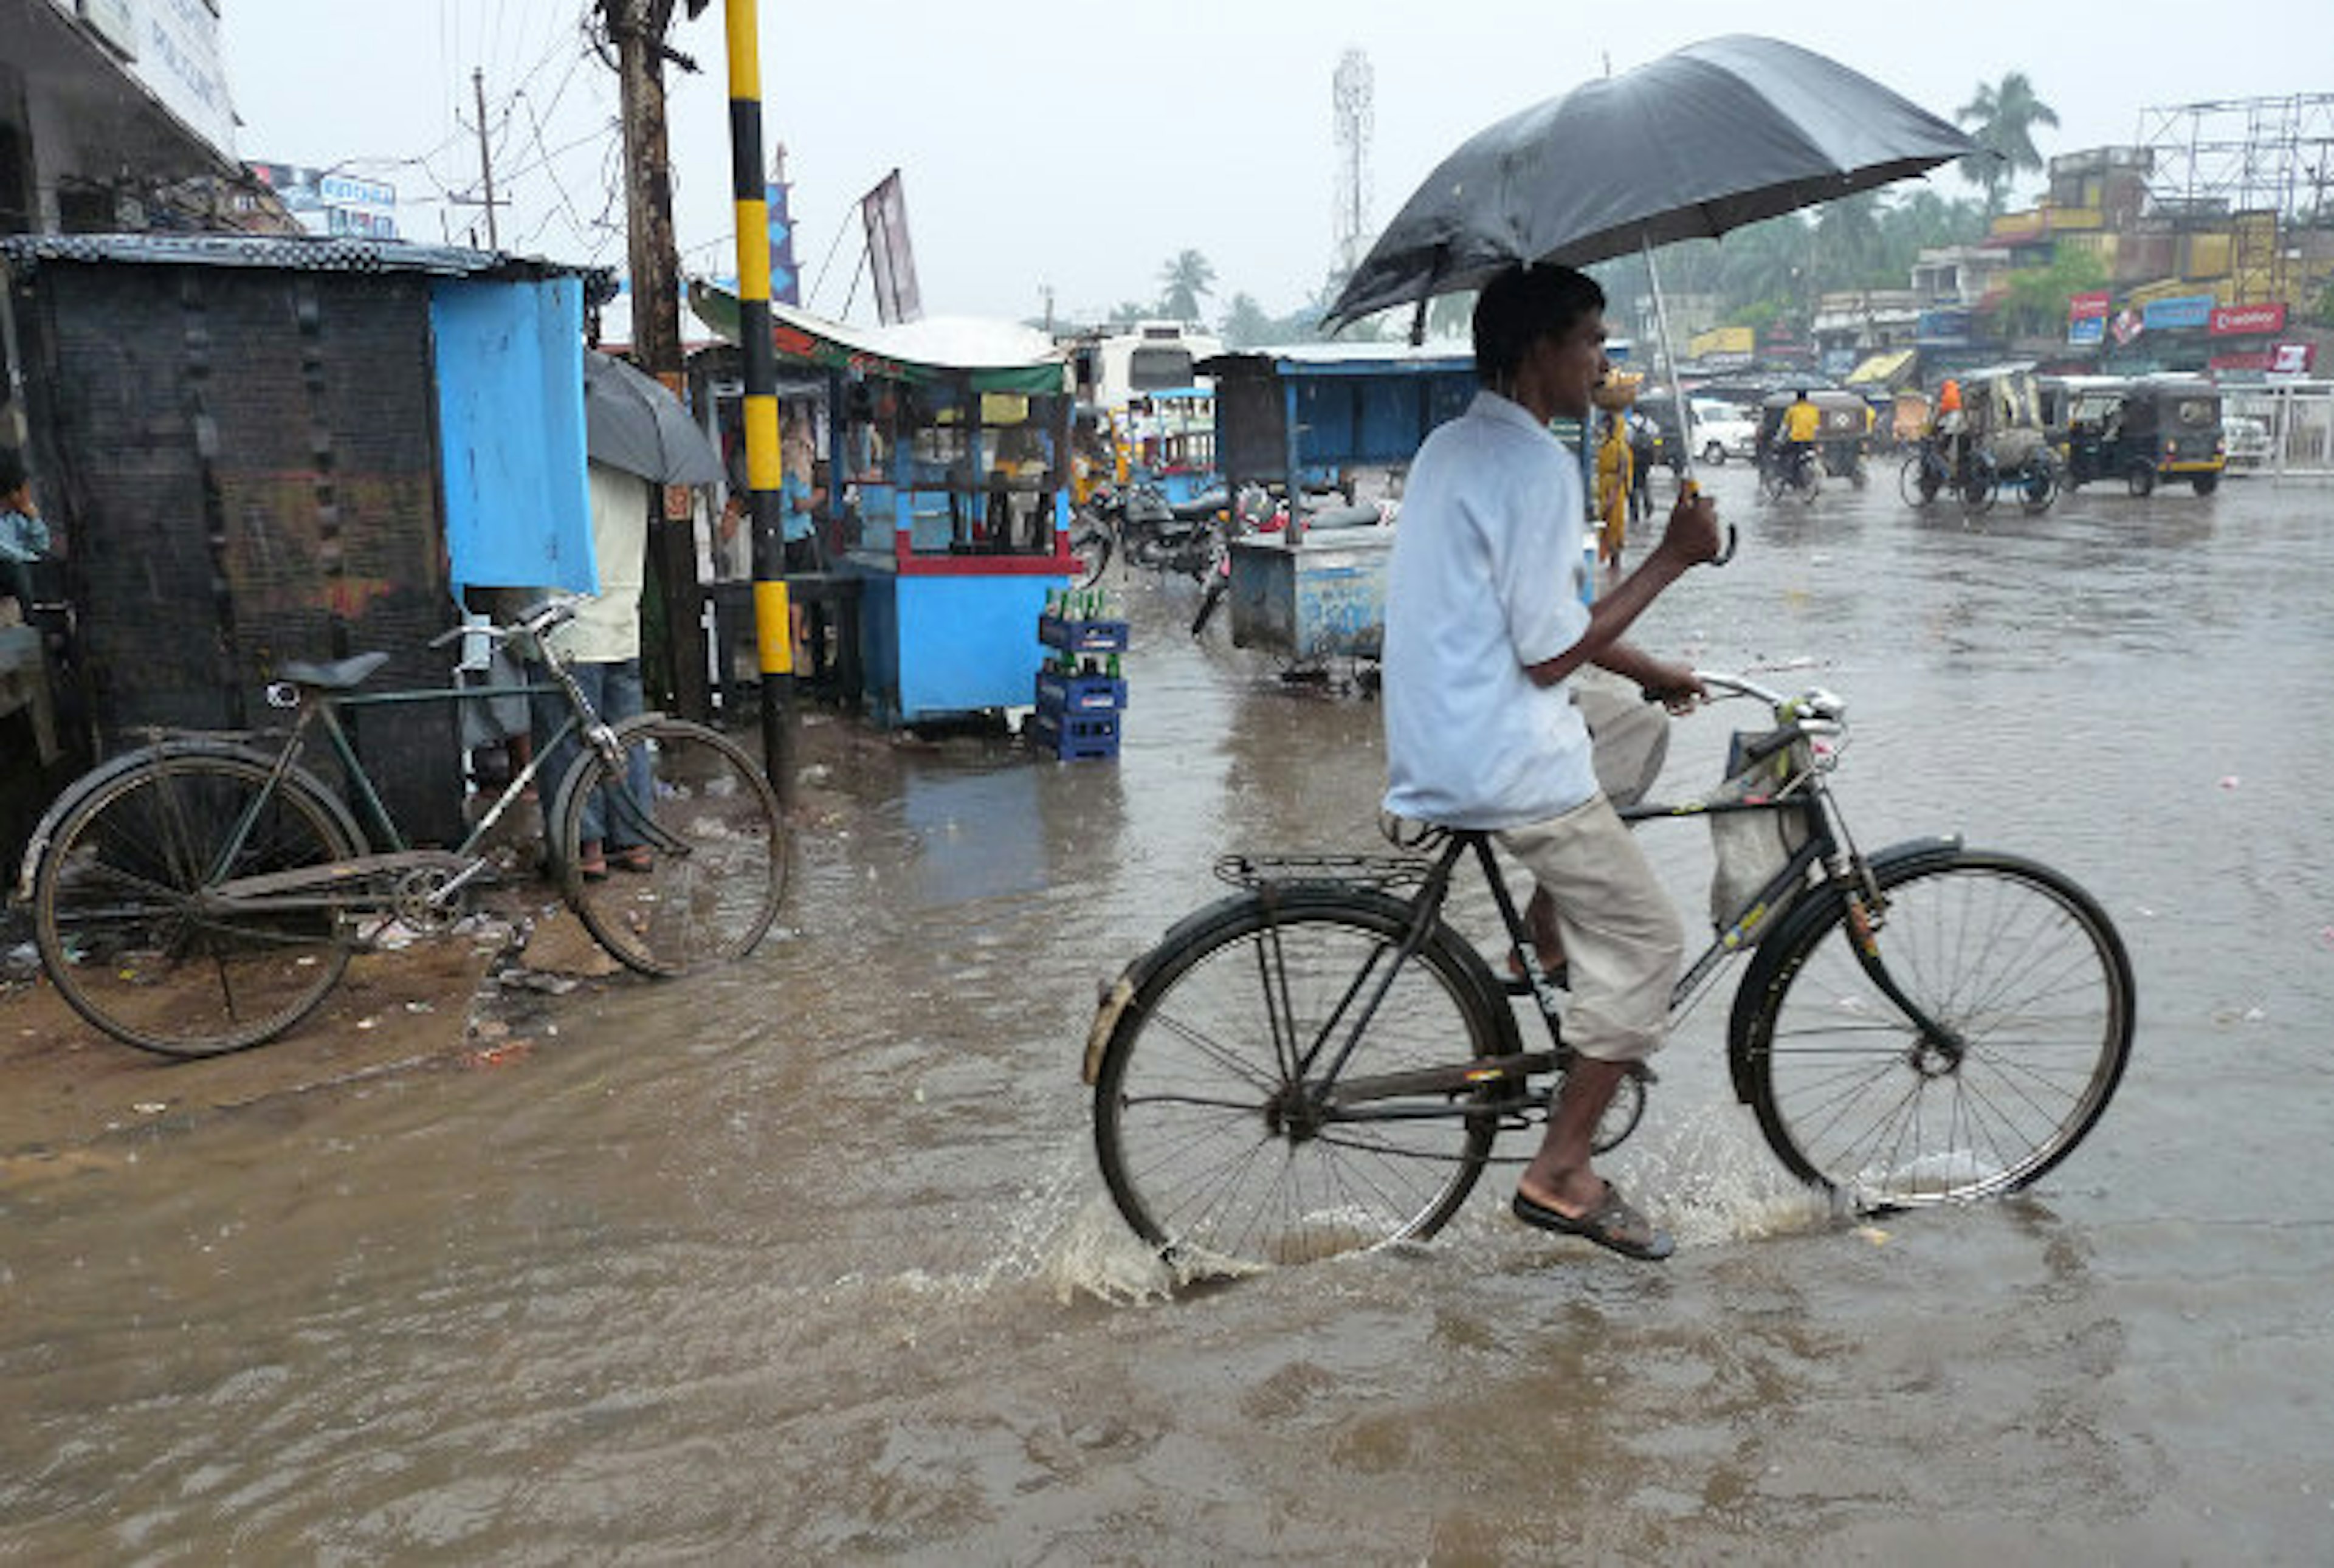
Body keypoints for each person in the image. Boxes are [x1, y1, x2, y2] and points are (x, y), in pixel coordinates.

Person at [1380, 262, 1723, 1262]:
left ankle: (1551, 917)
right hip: (1499, 753)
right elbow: (1546, 652)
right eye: (1591, 343)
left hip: (1447, 725)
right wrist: (1671, 559)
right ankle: (1561, 1170)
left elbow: (1543, 624)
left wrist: (1651, 669)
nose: (1603, 363)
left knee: (1636, 727)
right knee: (1654, 943)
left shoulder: (1457, 442)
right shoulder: (1536, 466)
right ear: (1539, 351)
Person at [532, 459, 655, 881]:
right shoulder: (633, 478)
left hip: (568, 636)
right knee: (625, 741)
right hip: (622, 627)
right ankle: (635, 842)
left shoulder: (558, 477)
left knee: (568, 747)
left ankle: (588, 849)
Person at [1, 450, 52, 611]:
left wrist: (34, 519)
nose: (29, 493)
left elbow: (42, 546)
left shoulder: (18, 516)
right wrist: (30, 558)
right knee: (17, 568)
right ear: (14, 493)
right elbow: (8, 555)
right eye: (25, 487)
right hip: (9, 578)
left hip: (26, 577)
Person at [1593, 406, 1632, 571]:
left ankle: (1615, 563)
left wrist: (1614, 493)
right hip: (1605, 486)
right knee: (1606, 523)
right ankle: (1608, 559)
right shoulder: (1606, 443)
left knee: (1615, 524)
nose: (1607, 427)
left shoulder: (1620, 445)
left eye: (1610, 424)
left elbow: (1623, 470)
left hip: (1614, 488)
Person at [1778, 388, 1821, 487]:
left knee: (1786, 454)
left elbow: (1785, 427)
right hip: (1810, 439)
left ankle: (1788, 474)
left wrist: (1779, 439)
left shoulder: (1793, 410)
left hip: (1796, 438)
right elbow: (1817, 427)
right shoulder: (1814, 409)